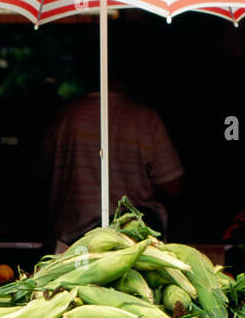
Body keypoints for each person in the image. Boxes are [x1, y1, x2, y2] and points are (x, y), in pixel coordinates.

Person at [44, 64, 184, 246]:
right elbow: (172, 185)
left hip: (72, 238)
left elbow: (43, 174)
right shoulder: (145, 119)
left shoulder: (66, 116)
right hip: (130, 240)